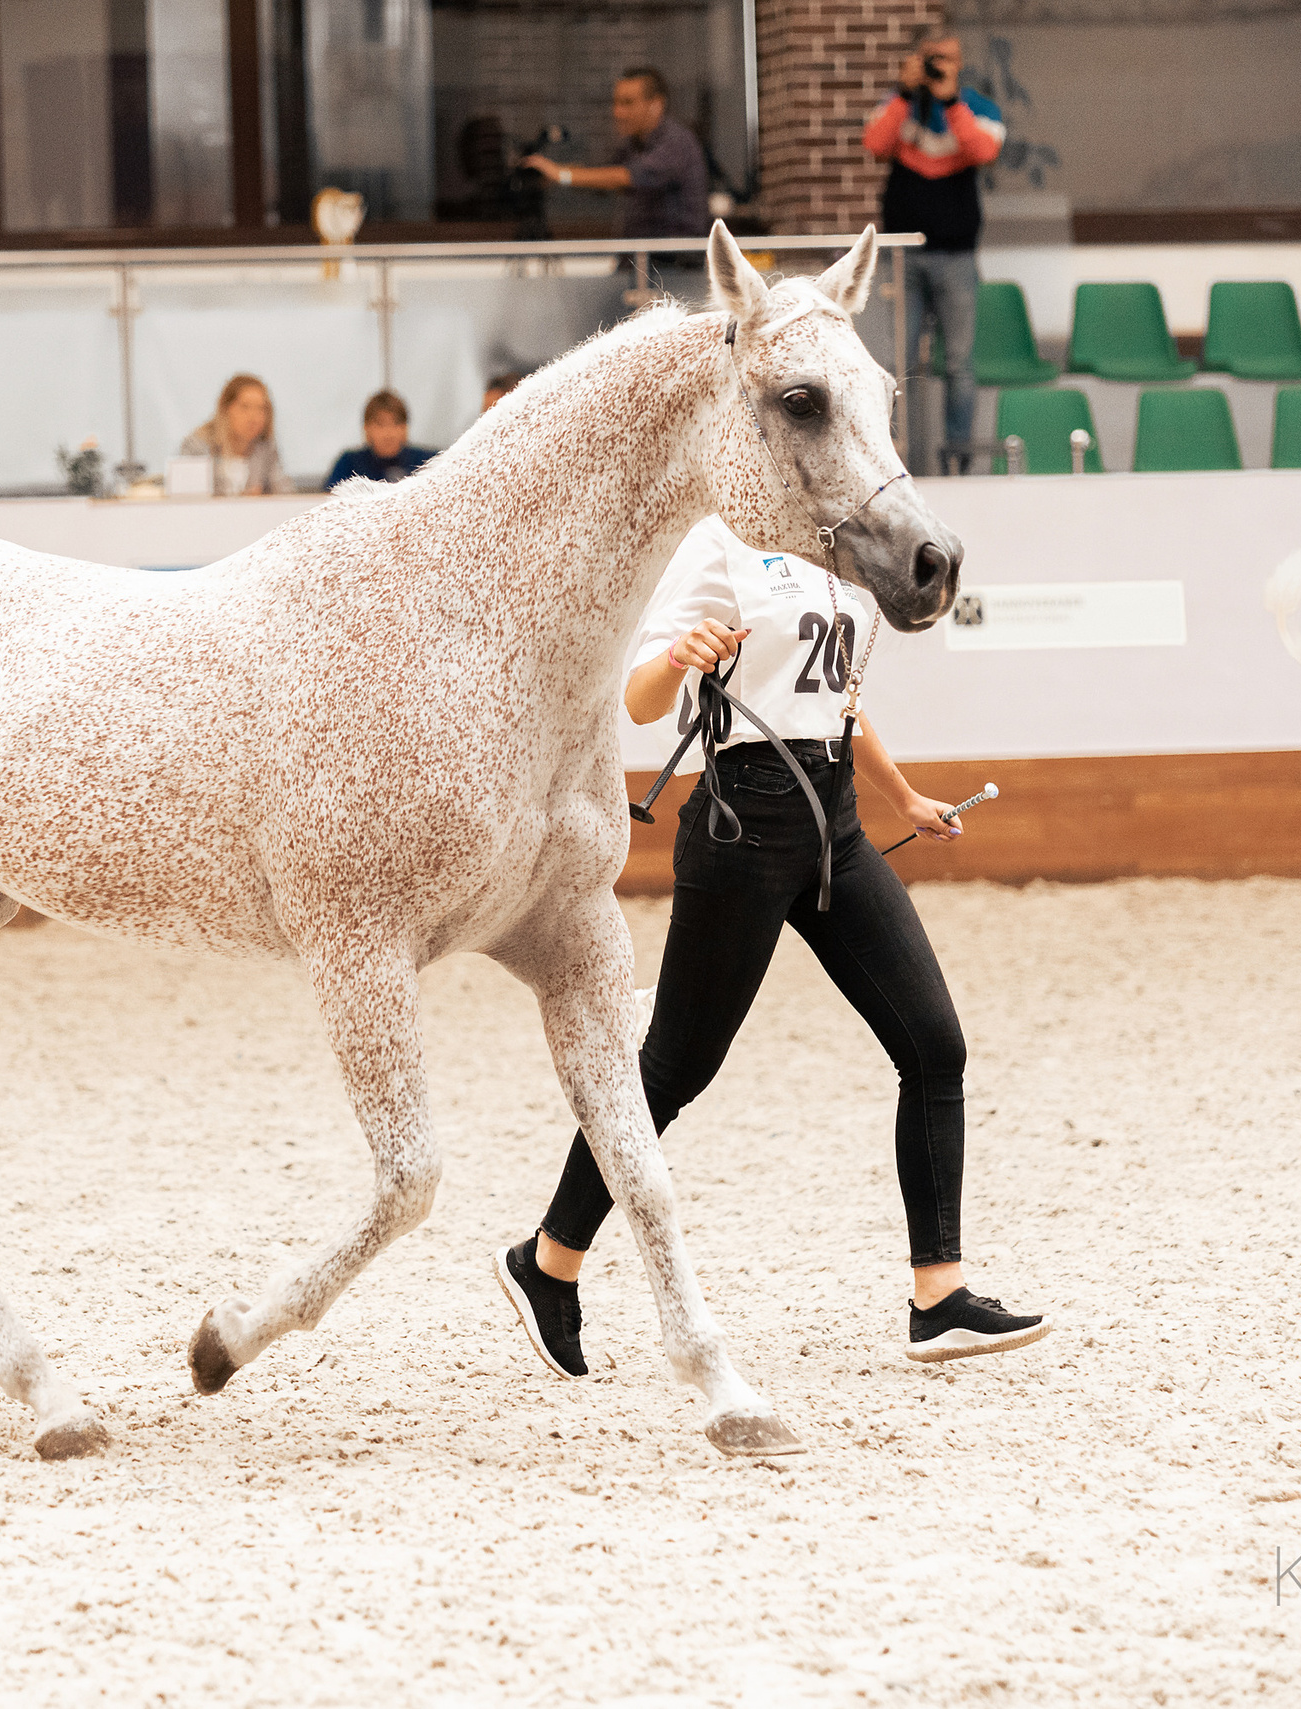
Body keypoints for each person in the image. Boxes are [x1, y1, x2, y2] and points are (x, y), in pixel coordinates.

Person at [492, 514, 1049, 1378]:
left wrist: (902, 799)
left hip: (838, 825)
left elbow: (839, 702)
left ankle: (938, 1298)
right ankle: (549, 1260)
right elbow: (637, 701)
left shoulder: (843, 554)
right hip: (743, 823)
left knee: (934, 1045)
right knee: (674, 1068)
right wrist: (684, 657)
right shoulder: (718, 545)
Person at [863, 33, 1005, 472]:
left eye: (946, 60)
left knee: (960, 364)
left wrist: (950, 102)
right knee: (899, 363)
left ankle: (958, 461)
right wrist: (907, 93)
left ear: (960, 64)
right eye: (931, 60)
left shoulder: (979, 108)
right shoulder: (898, 104)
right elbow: (876, 145)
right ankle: (896, 461)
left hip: (956, 257)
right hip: (903, 258)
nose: (938, 67)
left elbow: (982, 151)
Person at [520, 67, 708, 268]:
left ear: (656, 105)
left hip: (676, 271)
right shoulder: (632, 145)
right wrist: (552, 175)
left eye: (627, 103)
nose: (617, 112)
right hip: (638, 265)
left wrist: (563, 175)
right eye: (616, 103)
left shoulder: (676, 142)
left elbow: (625, 177)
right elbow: (603, 175)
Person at [179, 374, 293, 496]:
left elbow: (285, 494)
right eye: (245, 407)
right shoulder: (197, 446)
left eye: (261, 408)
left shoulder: (265, 447)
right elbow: (188, 499)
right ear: (226, 408)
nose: (253, 417)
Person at [324, 390, 436, 489]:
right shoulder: (349, 464)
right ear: (366, 429)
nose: (388, 433)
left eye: (396, 423)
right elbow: (327, 502)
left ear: (405, 428)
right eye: (380, 424)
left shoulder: (427, 463)